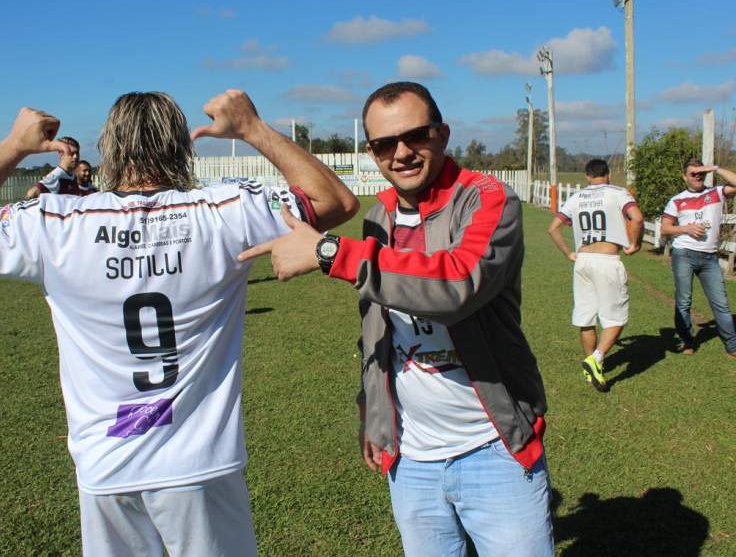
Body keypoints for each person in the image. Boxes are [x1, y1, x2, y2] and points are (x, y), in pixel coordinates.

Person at [0, 89, 358, 556]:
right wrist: (252, 127)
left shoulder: (56, 221)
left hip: (106, 466)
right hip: (199, 462)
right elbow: (334, 200)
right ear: (181, 147)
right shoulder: (223, 211)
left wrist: (14, 146)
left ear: (110, 146)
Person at [240, 82, 553, 557]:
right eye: (385, 144)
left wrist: (330, 251)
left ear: (442, 134)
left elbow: (457, 283)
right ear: (372, 152)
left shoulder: (488, 199)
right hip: (411, 459)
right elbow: (375, 324)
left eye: (415, 137)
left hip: (494, 447)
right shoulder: (379, 216)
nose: (401, 153)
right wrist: (369, 401)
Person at [547, 159, 644, 392]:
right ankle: (596, 359)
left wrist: (568, 252)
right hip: (607, 260)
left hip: (582, 261)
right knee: (616, 318)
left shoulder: (577, 197)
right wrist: (635, 243)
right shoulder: (618, 193)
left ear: (587, 177)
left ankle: (591, 365)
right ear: (608, 175)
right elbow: (637, 218)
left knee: (586, 317)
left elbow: (553, 228)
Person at [660, 158, 736, 357]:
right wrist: (687, 228)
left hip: (710, 257)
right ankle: (687, 342)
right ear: (685, 177)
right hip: (683, 254)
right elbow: (665, 228)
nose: (697, 176)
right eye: (693, 173)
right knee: (684, 301)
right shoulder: (677, 200)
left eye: (701, 173)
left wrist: (716, 168)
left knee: (720, 302)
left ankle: (732, 345)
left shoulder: (716, 193)